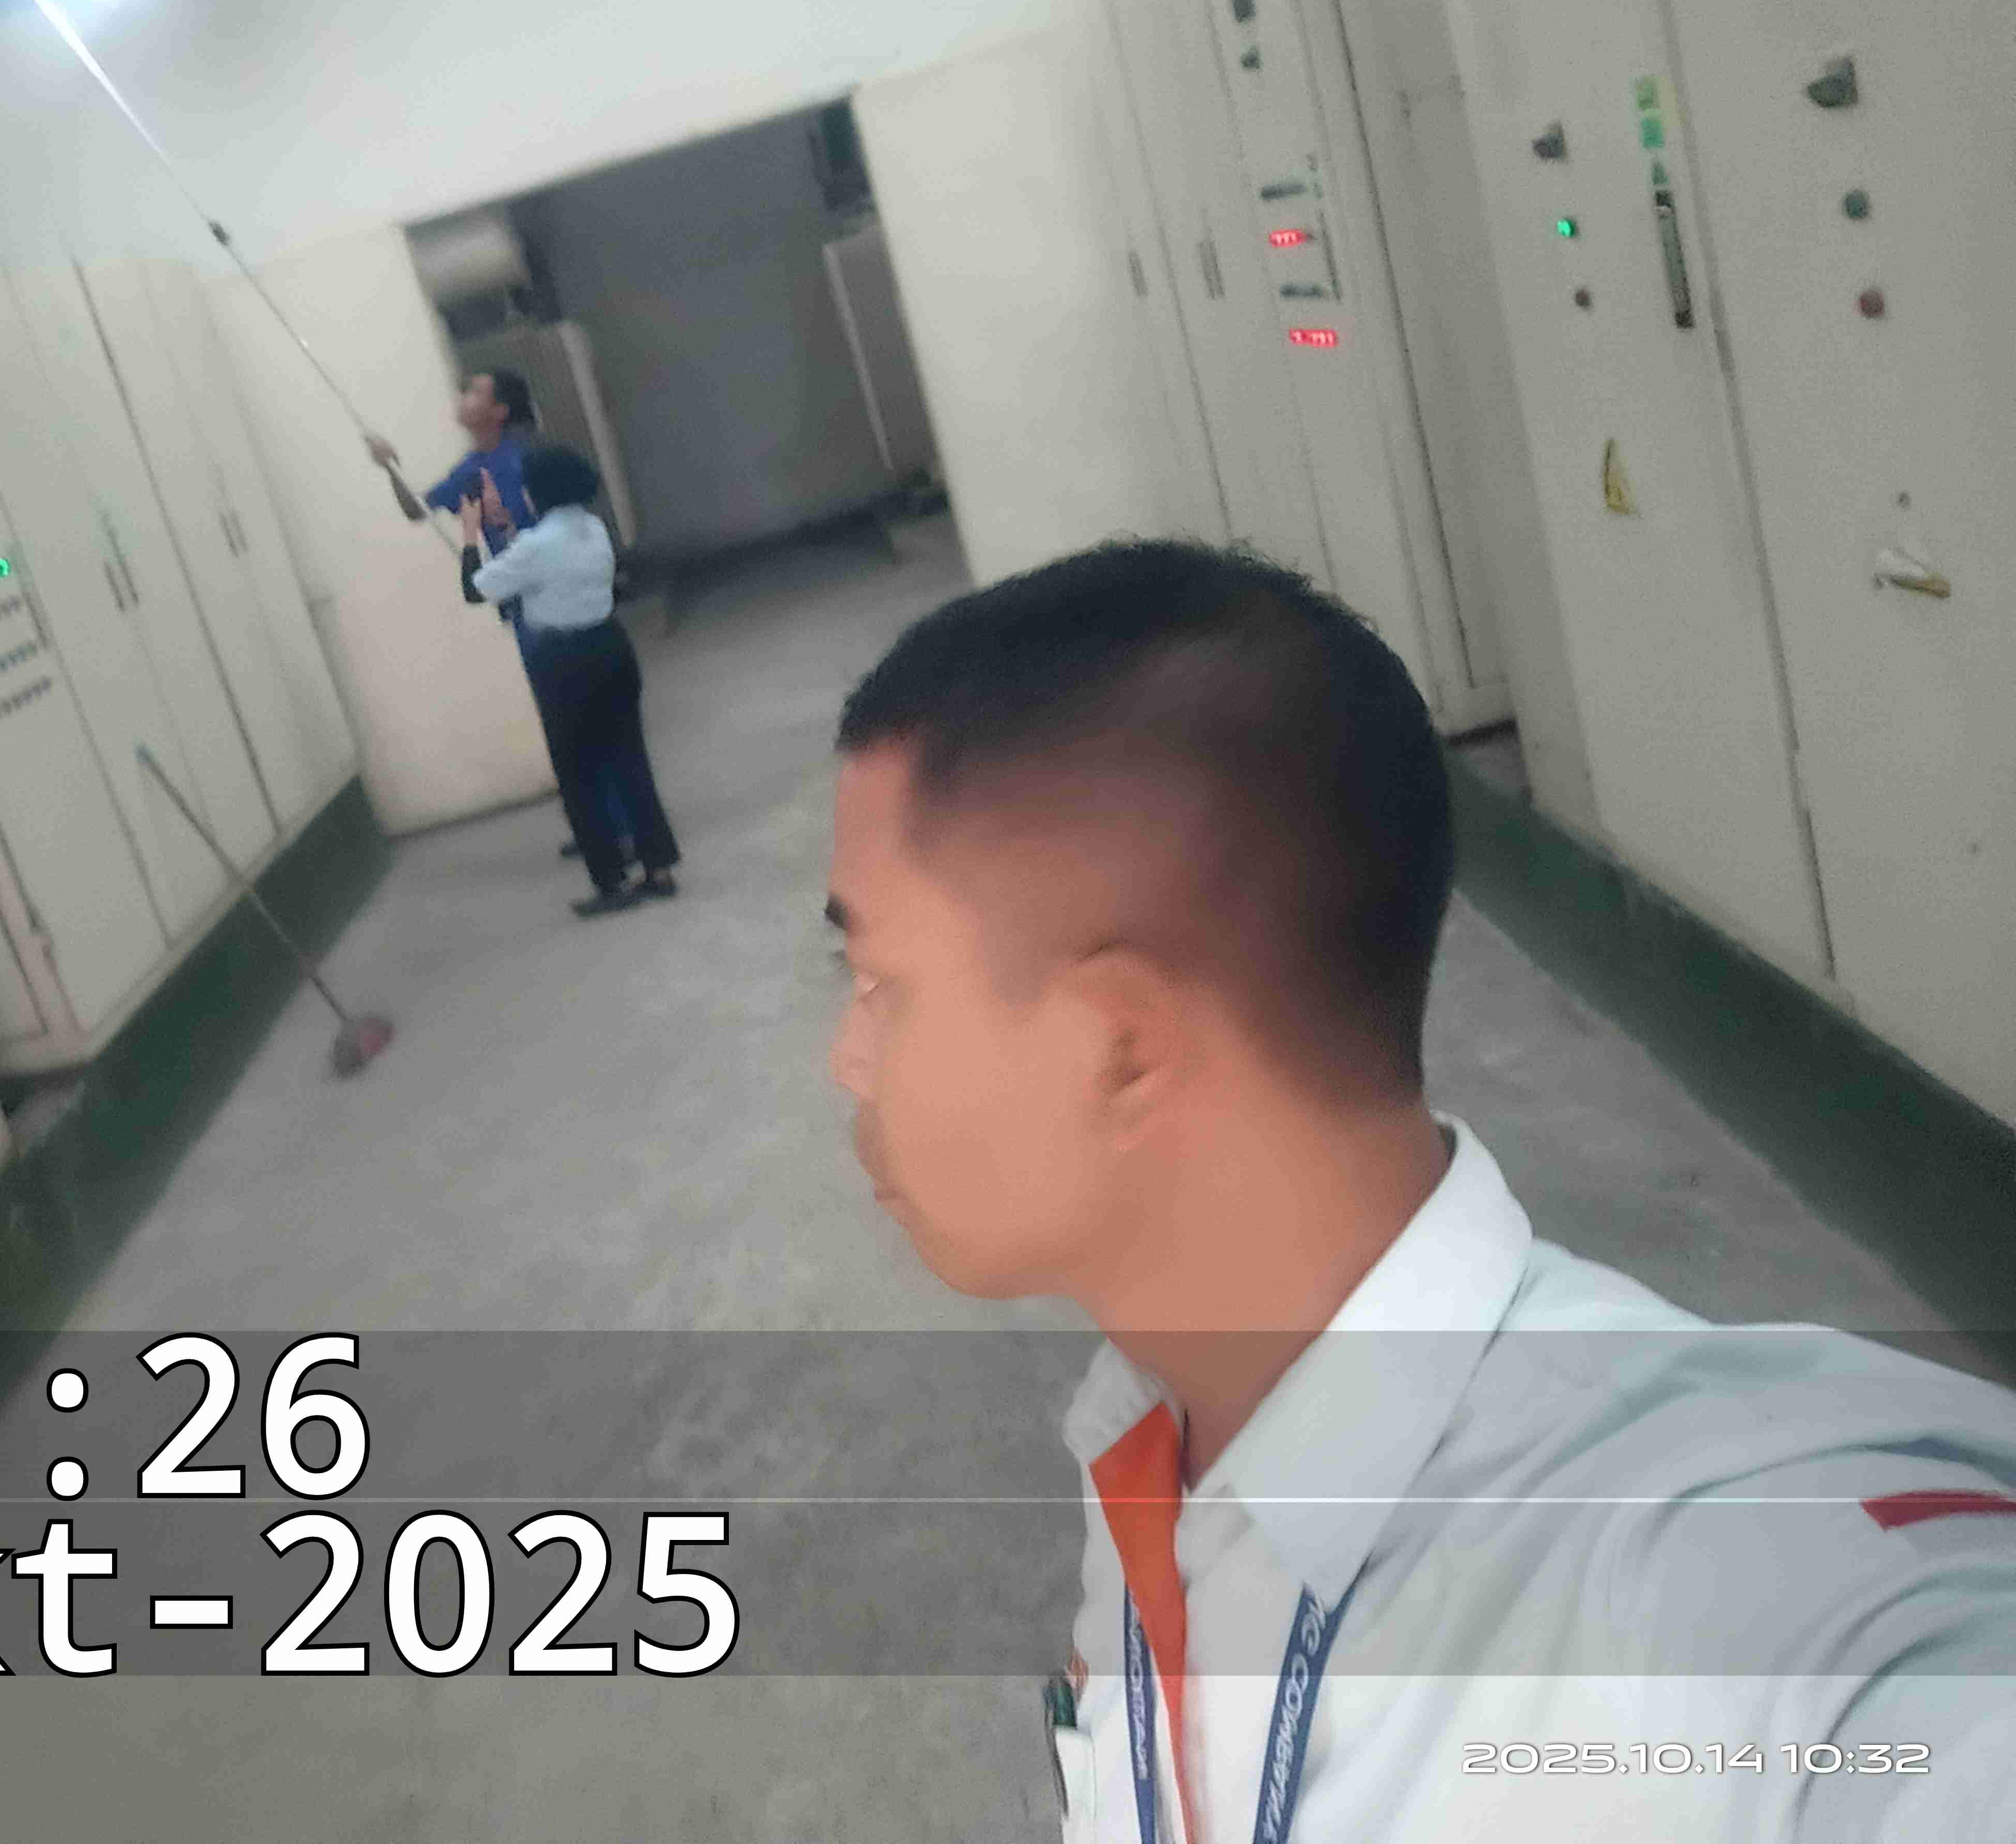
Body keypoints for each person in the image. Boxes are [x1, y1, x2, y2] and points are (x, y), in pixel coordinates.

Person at [823, 538, 2016, 1842]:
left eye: (881, 987)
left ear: (1119, 1046)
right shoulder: (1164, 1431)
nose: (847, 1062)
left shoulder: (1734, 1592)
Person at [363, 370, 630, 857]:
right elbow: (418, 510)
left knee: (586, 720)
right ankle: (597, 827)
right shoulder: (473, 468)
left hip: (563, 607)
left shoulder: (529, 457)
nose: (462, 397)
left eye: (474, 392)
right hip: (525, 609)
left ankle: (621, 828)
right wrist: (389, 469)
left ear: (500, 411)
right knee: (564, 723)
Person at [456, 443, 679, 917]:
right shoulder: (592, 528)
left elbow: (476, 590)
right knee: (630, 762)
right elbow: (538, 559)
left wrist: (471, 535)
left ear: (538, 491)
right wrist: (507, 527)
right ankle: (658, 868)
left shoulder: (537, 546)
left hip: (564, 661)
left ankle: (611, 882)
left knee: (580, 775)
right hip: (612, 648)